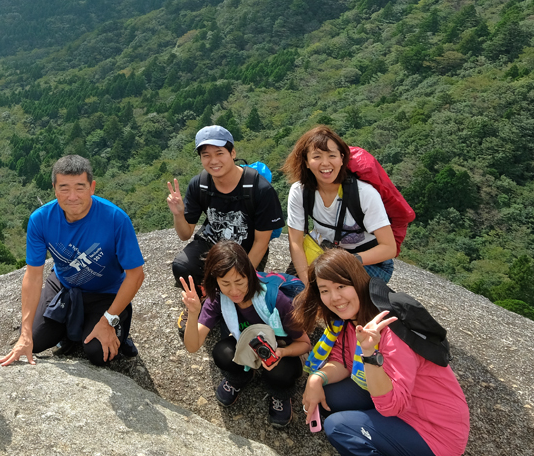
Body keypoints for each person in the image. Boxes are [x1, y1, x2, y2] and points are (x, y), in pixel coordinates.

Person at [293, 249, 469, 456]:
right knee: (328, 398)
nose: (334, 298)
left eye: (341, 286)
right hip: (402, 409)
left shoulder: (392, 329)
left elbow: (392, 405)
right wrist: (316, 378)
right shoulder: (352, 320)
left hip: (433, 432)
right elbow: (344, 360)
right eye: (324, 290)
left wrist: (369, 354)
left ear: (358, 281)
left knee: (338, 426)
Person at [0, 155, 145, 367]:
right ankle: (72, 328)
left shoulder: (115, 219)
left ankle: (119, 323)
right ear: (54, 188)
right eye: (64, 188)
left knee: (98, 353)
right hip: (64, 285)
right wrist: (25, 333)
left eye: (80, 187)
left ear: (92, 187)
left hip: (106, 291)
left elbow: (136, 275)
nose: (72, 196)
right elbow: (33, 275)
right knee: (35, 342)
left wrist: (109, 320)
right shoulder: (41, 219)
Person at [179, 241, 311, 428]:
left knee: (279, 371)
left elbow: (305, 344)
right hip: (250, 343)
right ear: (215, 280)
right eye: (225, 283)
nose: (234, 291)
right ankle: (241, 377)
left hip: (283, 347)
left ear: (249, 274)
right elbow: (193, 346)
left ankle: (280, 393)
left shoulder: (275, 299)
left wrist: (281, 353)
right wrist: (193, 313)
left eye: (240, 282)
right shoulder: (218, 297)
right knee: (222, 352)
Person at [167, 125, 284, 285]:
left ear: (232, 153)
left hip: (245, 249)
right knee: (183, 268)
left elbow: (261, 243)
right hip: (211, 245)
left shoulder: (260, 189)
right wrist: (178, 214)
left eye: (219, 153)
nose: (213, 161)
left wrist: (240, 278)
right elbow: (185, 235)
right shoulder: (200, 184)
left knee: (237, 289)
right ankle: (204, 300)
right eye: (206, 155)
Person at [283, 126, 396, 285]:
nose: (325, 163)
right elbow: (295, 242)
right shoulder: (300, 191)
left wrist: (347, 261)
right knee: (291, 293)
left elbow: (389, 248)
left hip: (369, 261)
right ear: (306, 162)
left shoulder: (364, 194)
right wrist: (307, 285)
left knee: (336, 297)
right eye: (317, 156)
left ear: (342, 159)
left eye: (332, 155)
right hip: (324, 251)